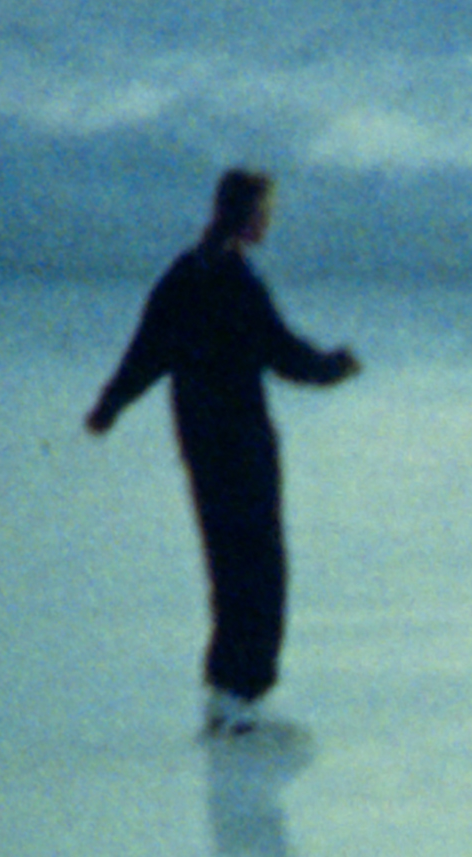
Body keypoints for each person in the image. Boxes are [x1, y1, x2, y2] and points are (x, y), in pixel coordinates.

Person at [86, 169, 360, 737]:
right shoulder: (235, 281)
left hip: (201, 443)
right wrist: (334, 366)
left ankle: (226, 693)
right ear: (247, 215)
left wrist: (110, 404)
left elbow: (146, 352)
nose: (269, 221)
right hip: (242, 444)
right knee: (259, 566)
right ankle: (242, 695)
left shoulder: (185, 273)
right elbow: (283, 353)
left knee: (227, 561)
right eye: (265, 211)